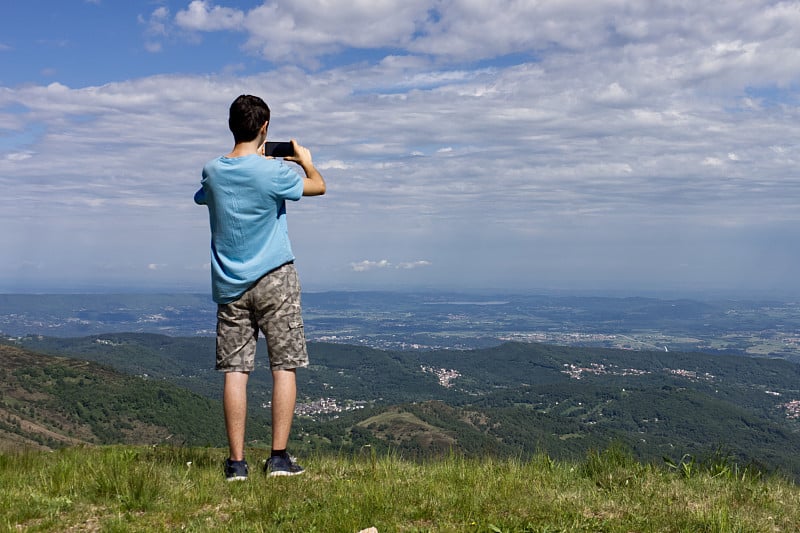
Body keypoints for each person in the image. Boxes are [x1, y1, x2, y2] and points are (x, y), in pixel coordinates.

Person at [194, 94, 326, 480]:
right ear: (265, 128)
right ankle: (279, 458)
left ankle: (236, 464)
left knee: (235, 370)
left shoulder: (212, 170)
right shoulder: (275, 174)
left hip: (230, 282)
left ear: (231, 126)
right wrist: (303, 160)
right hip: (275, 279)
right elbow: (318, 186)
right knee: (283, 366)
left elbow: (204, 196)